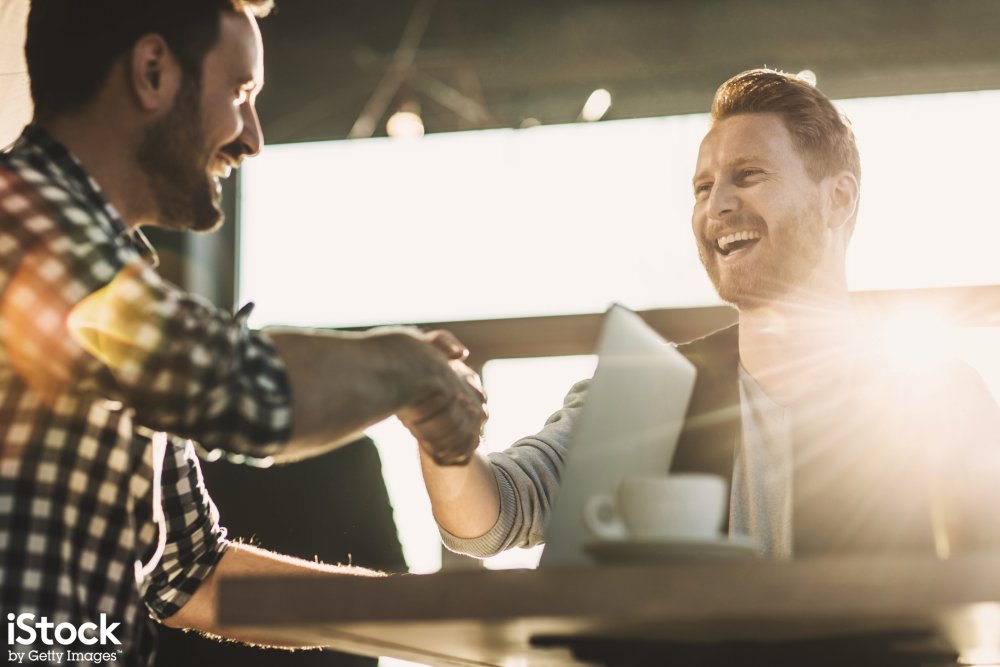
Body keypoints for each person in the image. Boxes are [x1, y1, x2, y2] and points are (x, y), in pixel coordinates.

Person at [0, 0, 486, 663]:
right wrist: (412, 365)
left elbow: (188, 571)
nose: (252, 135)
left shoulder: (106, 277)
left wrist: (426, 614)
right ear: (151, 72)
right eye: (240, 92)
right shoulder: (23, 223)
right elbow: (240, 388)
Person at [418, 68, 1000, 561]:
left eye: (748, 176)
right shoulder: (640, 394)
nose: (717, 206)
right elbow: (493, 514)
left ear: (838, 199)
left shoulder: (936, 400)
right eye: (702, 187)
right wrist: (442, 435)